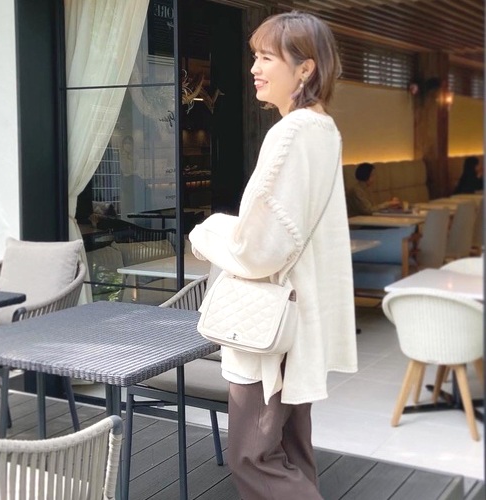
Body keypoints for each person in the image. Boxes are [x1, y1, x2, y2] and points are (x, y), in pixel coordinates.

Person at [189, 11, 357, 500]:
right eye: (255, 57)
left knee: (253, 457)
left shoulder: (290, 133)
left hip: (270, 328)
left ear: (305, 68)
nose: (254, 69)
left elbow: (257, 249)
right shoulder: (323, 129)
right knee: (292, 448)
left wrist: (206, 232)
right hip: (297, 319)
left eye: (266, 57)